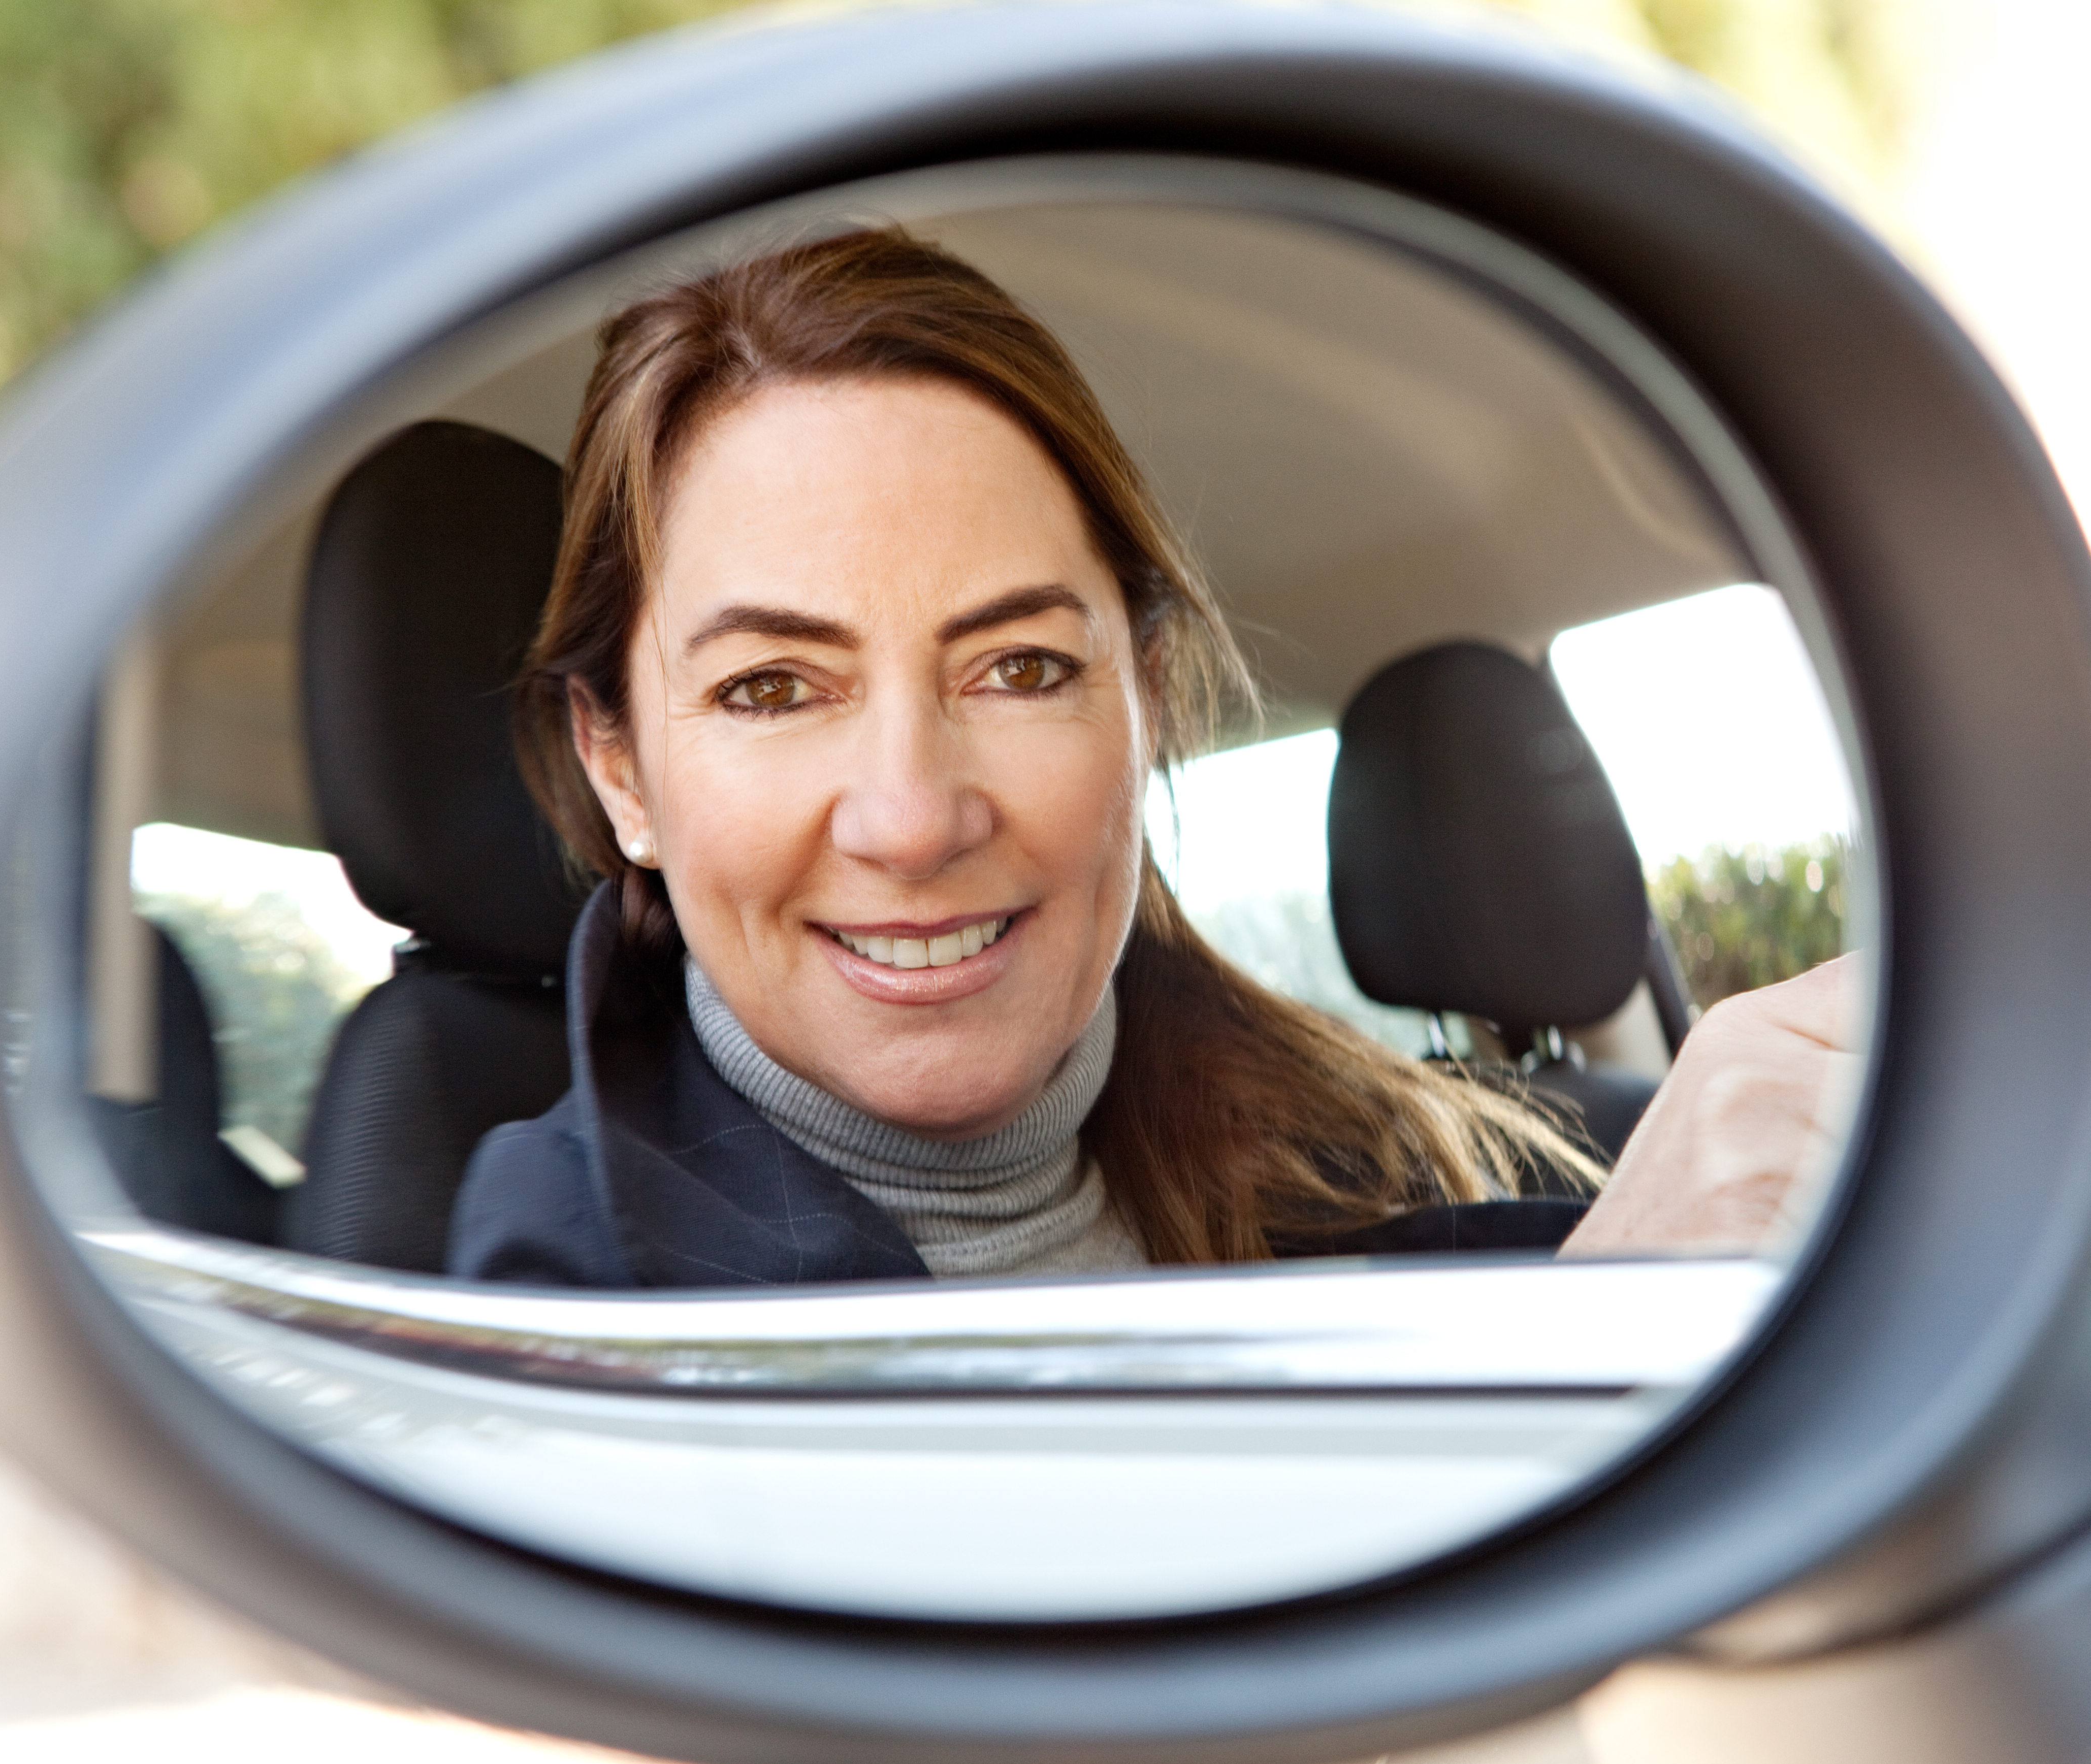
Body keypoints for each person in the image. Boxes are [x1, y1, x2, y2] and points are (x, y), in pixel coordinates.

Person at [446, 226, 1853, 1288]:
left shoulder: (1408, 1166)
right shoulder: (563, 1321)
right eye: (770, 688)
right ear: (620, 771)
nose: (912, 817)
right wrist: (1602, 1366)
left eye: (1020, 668)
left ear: (1149, 703)